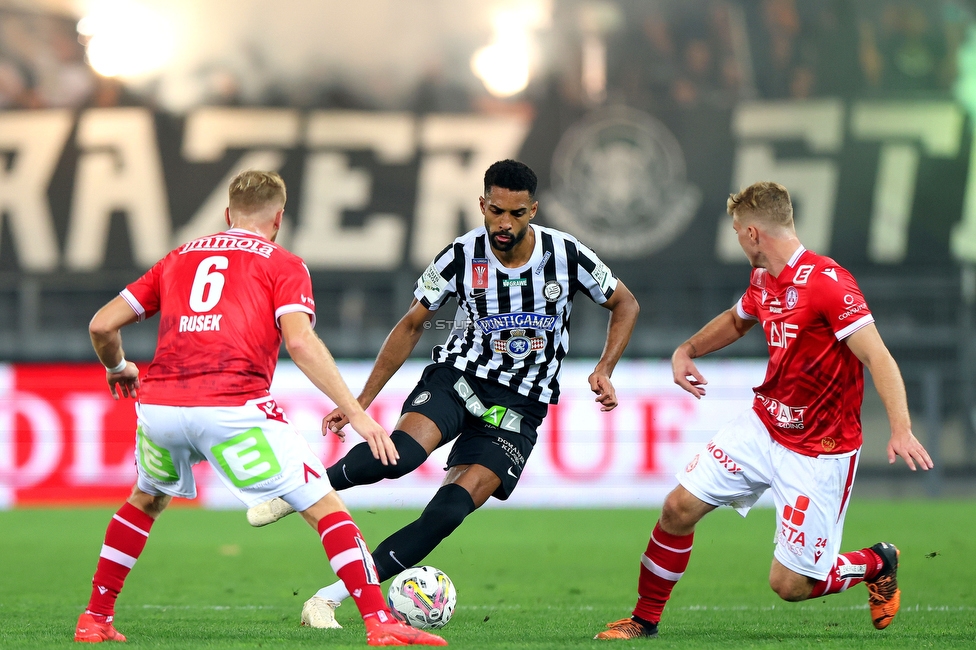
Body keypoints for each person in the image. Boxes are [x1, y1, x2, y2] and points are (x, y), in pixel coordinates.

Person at [246, 159, 641, 628]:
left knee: (448, 512)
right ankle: (301, 489)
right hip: (458, 380)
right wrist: (361, 402)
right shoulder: (459, 255)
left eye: (516, 214)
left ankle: (327, 599)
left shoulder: (566, 254)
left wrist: (604, 367)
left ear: (532, 210)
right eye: (496, 211)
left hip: (519, 407)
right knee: (399, 457)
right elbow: (412, 324)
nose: (504, 223)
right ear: (482, 204)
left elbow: (625, 302)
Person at [73, 171, 446, 647]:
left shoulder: (177, 259)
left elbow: (102, 325)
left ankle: (95, 618)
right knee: (324, 507)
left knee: (145, 500)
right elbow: (300, 342)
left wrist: (119, 365)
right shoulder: (284, 264)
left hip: (160, 405)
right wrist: (355, 411)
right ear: (279, 218)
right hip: (232, 407)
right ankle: (379, 622)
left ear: (228, 215)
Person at [595, 181, 934, 640]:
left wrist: (901, 429)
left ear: (754, 234)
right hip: (763, 426)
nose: (737, 240)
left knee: (790, 585)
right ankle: (643, 621)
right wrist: (688, 348)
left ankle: (877, 562)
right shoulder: (764, 279)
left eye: (738, 231)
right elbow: (738, 319)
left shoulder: (828, 284)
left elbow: (879, 357)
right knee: (677, 507)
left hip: (819, 450)